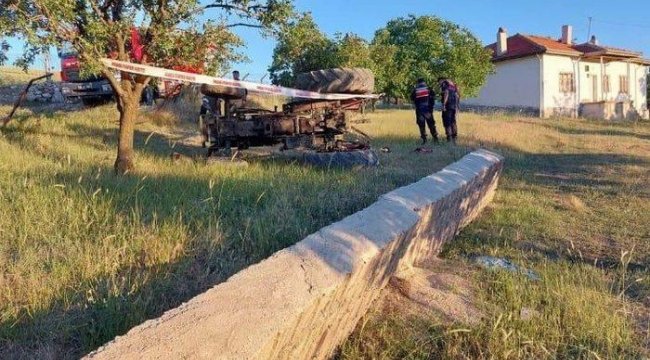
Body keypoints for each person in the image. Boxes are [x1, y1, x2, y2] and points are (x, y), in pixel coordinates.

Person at [410, 78, 438, 144]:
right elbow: (433, 97)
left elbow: (412, 98)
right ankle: (435, 138)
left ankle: (424, 140)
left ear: (418, 83)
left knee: (421, 125)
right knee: (431, 124)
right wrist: (431, 107)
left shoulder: (416, 90)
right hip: (428, 110)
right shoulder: (429, 89)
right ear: (424, 82)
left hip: (419, 110)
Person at [439, 77, 460, 143]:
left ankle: (449, 138)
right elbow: (457, 96)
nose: (439, 84)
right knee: (453, 121)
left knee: (446, 121)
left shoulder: (444, 83)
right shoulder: (453, 85)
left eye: (439, 82)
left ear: (441, 80)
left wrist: (443, 105)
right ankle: (454, 137)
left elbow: (446, 92)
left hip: (447, 106)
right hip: (453, 106)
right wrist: (457, 106)